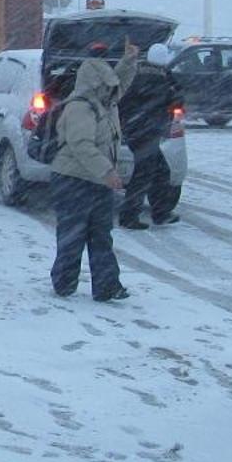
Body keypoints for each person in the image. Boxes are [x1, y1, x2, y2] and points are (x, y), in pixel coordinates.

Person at [48, 41, 139, 301]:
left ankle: (107, 286)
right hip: (72, 179)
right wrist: (107, 172)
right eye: (106, 86)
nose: (113, 91)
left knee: (101, 235)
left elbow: (119, 83)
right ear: (95, 84)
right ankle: (64, 283)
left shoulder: (106, 103)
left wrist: (129, 62)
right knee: (72, 235)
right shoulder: (80, 107)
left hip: (97, 181)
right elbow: (80, 145)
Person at [117, 42, 183, 229]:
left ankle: (159, 213)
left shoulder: (139, 74)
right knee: (145, 175)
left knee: (159, 171)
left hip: (136, 131)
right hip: (147, 132)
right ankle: (132, 216)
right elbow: (175, 99)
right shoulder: (160, 79)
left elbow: (124, 102)